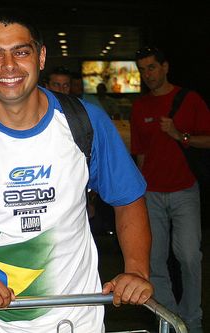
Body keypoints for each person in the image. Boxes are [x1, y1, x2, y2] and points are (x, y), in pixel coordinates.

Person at [0, 10, 153, 332]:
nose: (9, 66)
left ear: (41, 57)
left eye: (21, 52)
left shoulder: (84, 122)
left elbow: (128, 198)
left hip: (78, 320)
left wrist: (136, 270)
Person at [131, 46, 210, 333]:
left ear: (165, 67)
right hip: (151, 193)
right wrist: (138, 193)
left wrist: (180, 135)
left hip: (185, 190)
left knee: (189, 256)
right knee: (154, 260)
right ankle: (170, 319)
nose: (147, 74)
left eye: (151, 67)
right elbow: (140, 153)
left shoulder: (190, 100)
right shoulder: (140, 106)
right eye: (142, 69)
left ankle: (192, 320)